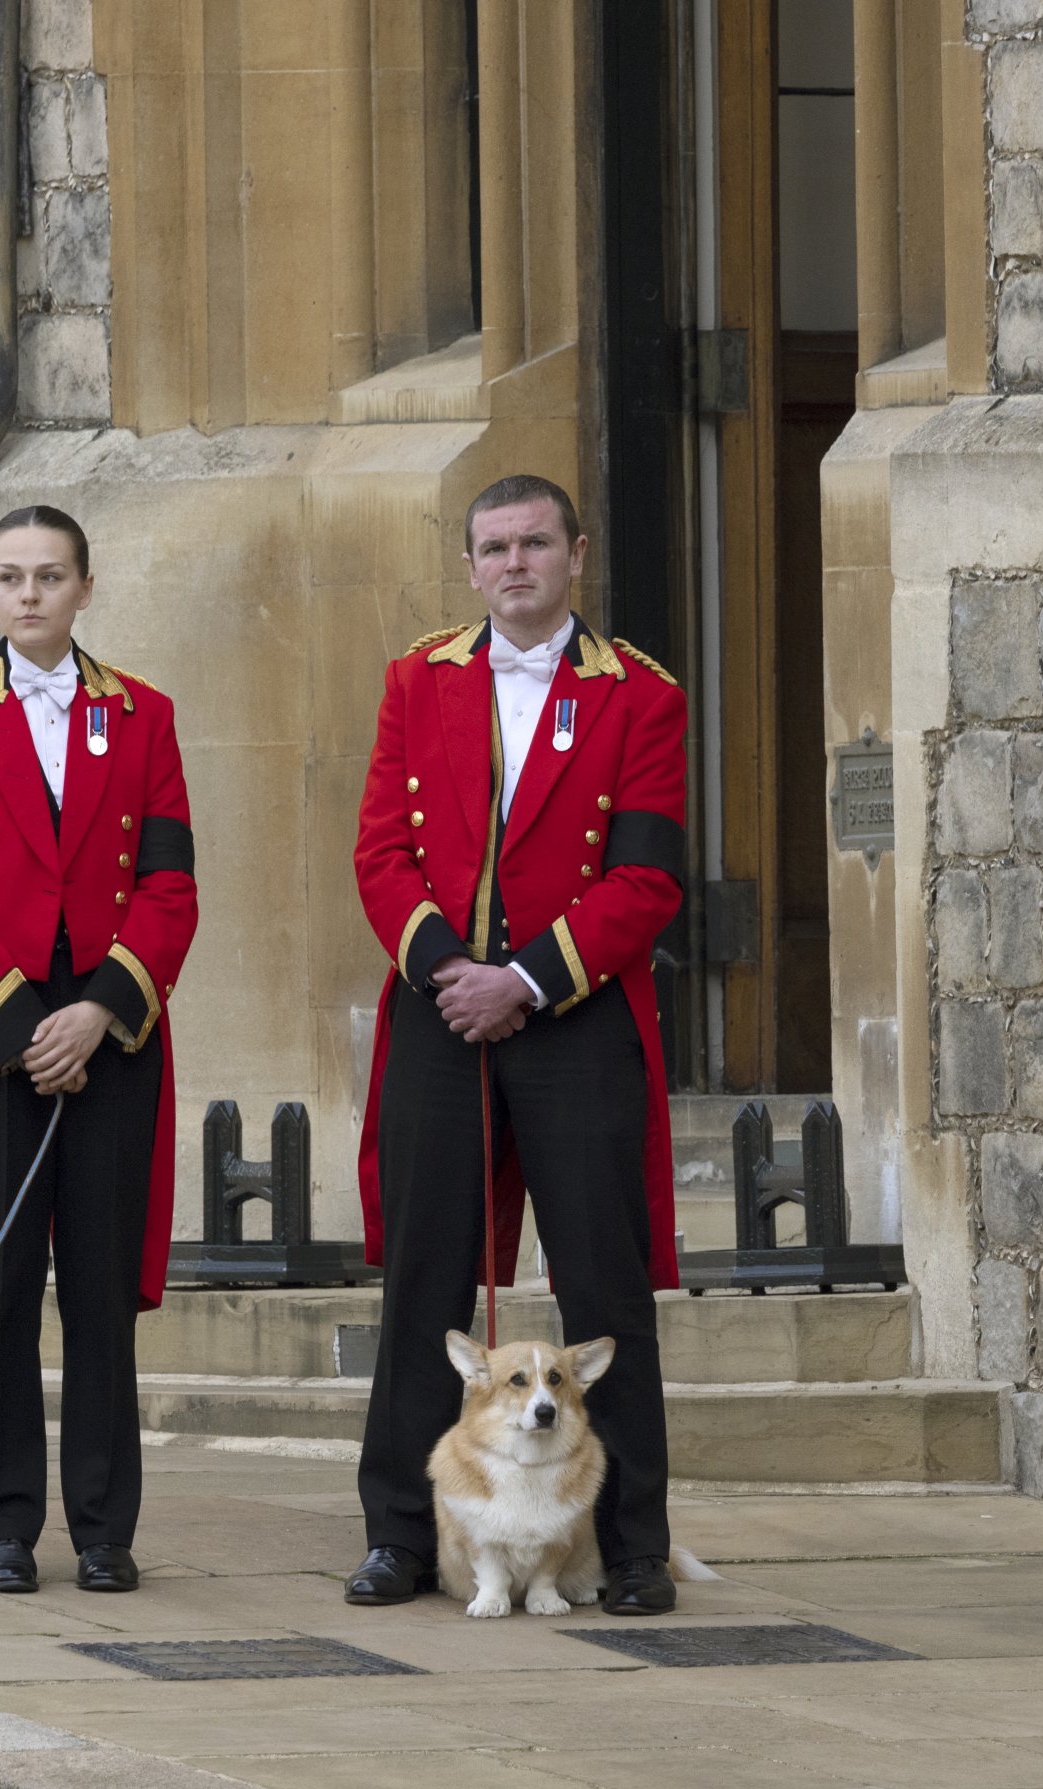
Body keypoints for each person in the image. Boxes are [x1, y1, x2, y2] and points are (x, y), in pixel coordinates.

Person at [347, 474, 687, 1616]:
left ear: (574, 554)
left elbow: (647, 877)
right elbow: (377, 854)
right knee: (422, 1281)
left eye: (534, 543)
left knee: (601, 1288)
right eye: (492, 547)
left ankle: (631, 1546)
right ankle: (398, 1533)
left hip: (574, 1015)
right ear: (471, 563)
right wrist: (453, 971)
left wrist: (525, 981)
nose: (513, 564)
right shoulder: (416, 679)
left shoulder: (638, 694)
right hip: (440, 1009)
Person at [0, 504, 198, 1596]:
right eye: (10, 576)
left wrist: (101, 1010)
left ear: (83, 587)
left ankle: (105, 1527)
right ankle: (1, 1525)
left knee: (101, 1292)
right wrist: (27, 1034)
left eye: (50, 575)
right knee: (1, 1287)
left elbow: (168, 883)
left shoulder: (145, 716)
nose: (29, 594)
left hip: (110, 1032)